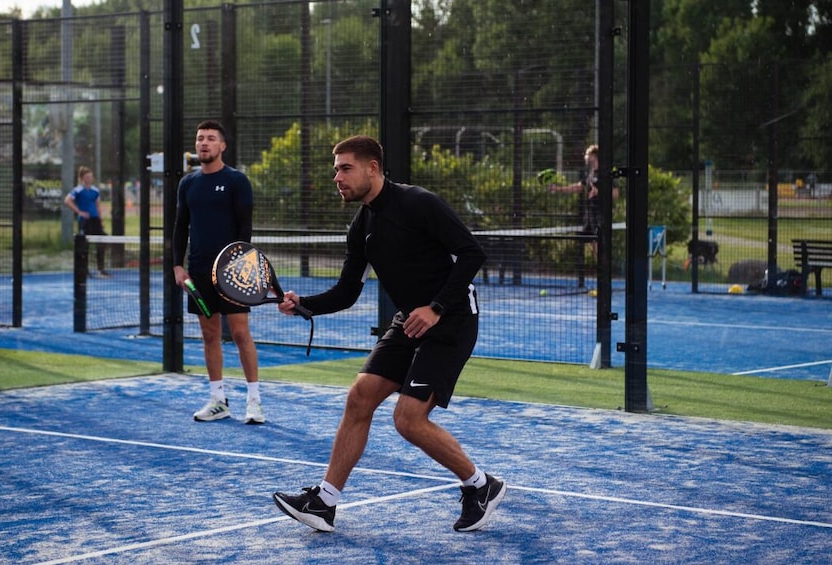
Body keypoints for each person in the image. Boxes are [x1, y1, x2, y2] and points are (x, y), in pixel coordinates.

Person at [272, 135, 505, 532]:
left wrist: (435, 308)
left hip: (452, 319)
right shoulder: (361, 226)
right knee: (360, 396)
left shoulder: (419, 203)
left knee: (408, 419)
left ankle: (480, 485)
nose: (337, 178)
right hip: (408, 321)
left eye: (345, 168)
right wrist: (303, 303)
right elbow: (347, 292)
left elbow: (472, 253)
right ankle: (324, 502)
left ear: (372, 168)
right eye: (335, 170)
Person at [171, 120, 265, 425]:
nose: (204, 143)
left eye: (211, 139)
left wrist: (239, 265)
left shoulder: (237, 181)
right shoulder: (188, 183)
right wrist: (177, 265)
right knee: (209, 335)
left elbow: (245, 228)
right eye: (200, 139)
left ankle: (254, 402)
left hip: (233, 271)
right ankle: (218, 400)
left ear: (222, 146)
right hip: (197, 274)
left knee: (240, 334)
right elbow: (179, 228)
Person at [548, 144, 618, 261]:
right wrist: (557, 189)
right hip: (590, 212)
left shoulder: (606, 172)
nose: (585, 157)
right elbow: (578, 187)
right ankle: (601, 268)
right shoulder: (591, 174)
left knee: (599, 241)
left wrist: (599, 192)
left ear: (593, 156)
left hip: (601, 213)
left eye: (587, 154)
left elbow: (615, 194)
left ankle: (605, 270)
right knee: (591, 241)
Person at [64, 166, 110, 277]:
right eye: (86, 177)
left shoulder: (95, 191)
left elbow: (98, 206)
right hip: (85, 221)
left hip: (95, 221)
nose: (89, 178)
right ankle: (84, 270)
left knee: (101, 243)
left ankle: (101, 270)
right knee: (84, 245)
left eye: (90, 176)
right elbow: (67, 200)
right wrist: (79, 212)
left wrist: (100, 219)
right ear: (81, 178)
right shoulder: (78, 190)